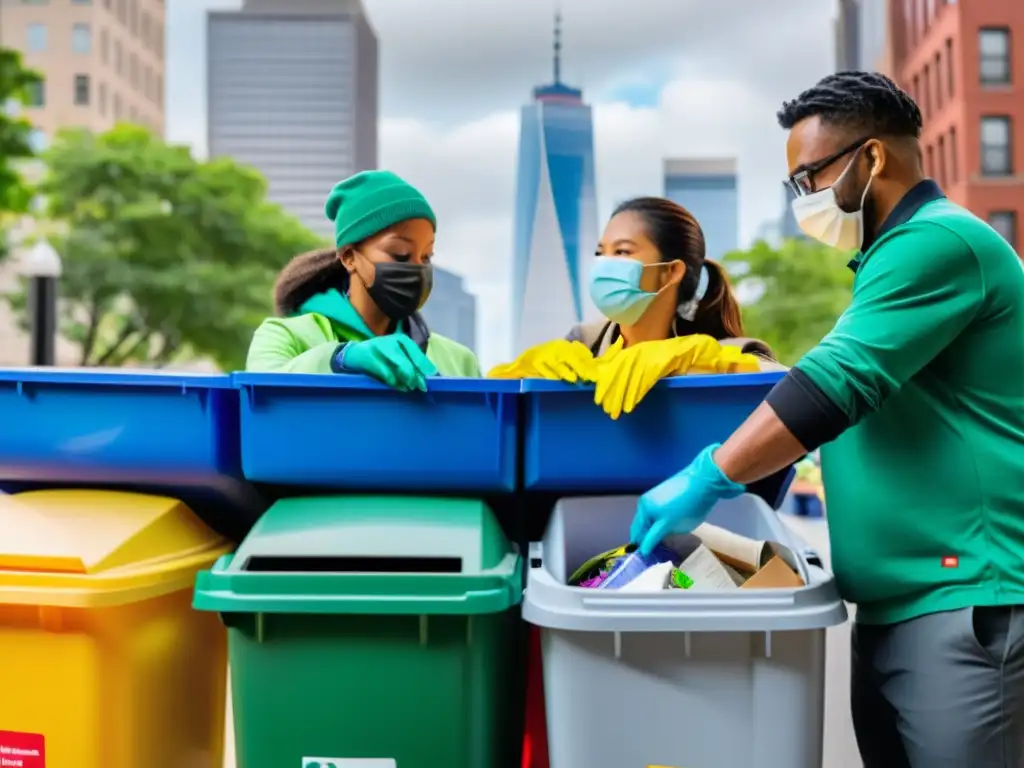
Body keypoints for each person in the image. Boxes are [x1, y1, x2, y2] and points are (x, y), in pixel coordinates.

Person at [630, 71, 1024, 766]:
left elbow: (835, 383)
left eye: (809, 177)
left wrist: (707, 476)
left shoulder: (938, 244)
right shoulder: (885, 265)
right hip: (899, 607)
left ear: (871, 159)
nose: (803, 202)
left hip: (967, 606)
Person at [490, 197, 779, 418]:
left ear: (671, 272)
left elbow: (795, 391)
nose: (604, 264)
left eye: (623, 251)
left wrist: (698, 358)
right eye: (600, 253)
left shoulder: (721, 351)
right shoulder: (583, 343)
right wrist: (519, 375)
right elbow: (495, 418)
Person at [246, 170, 480, 389]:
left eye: (426, 256)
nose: (417, 269)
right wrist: (341, 359)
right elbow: (262, 391)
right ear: (349, 257)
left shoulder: (459, 361)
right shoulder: (285, 336)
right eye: (400, 254)